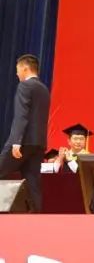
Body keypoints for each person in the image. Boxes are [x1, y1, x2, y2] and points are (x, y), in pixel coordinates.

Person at [0, 54, 50, 211]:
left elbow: (21, 115)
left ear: (25, 68)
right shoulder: (44, 89)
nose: (16, 74)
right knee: (32, 182)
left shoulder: (25, 86)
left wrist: (16, 141)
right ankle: (36, 217)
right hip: (38, 143)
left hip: (23, 142)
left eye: (18, 70)